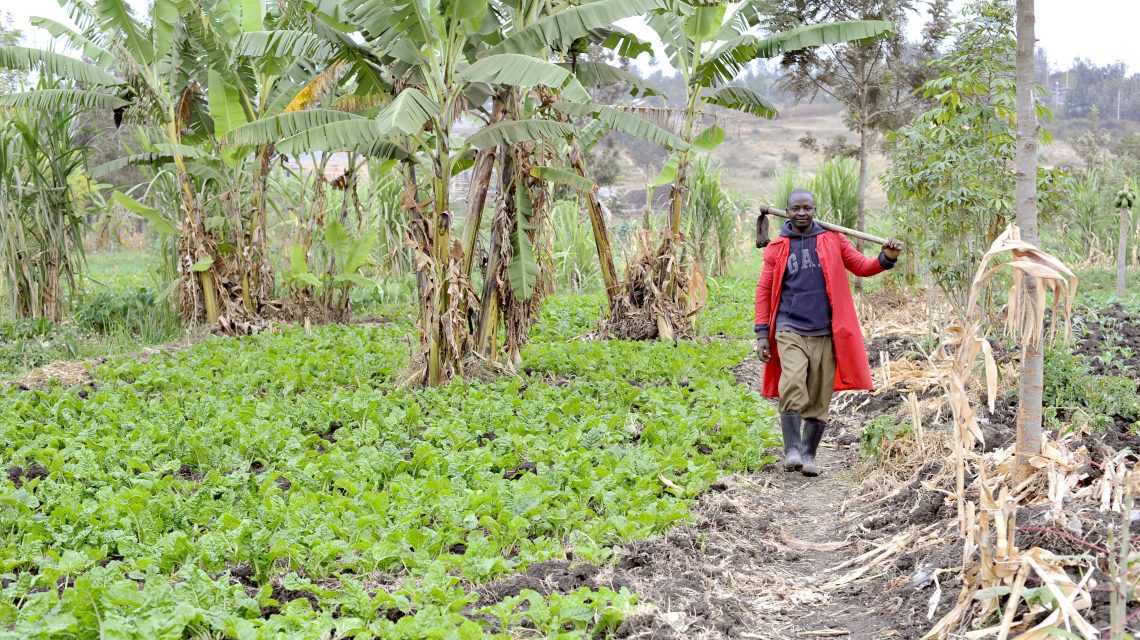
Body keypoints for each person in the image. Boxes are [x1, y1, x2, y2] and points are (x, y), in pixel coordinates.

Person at [754, 189, 904, 477]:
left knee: (820, 395)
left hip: (825, 330)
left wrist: (886, 258)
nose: (801, 213)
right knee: (793, 383)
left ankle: (809, 455)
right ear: (787, 212)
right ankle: (792, 450)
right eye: (795, 208)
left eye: (806, 208)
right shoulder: (777, 248)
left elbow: (861, 266)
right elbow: (763, 291)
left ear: (814, 210)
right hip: (789, 328)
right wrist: (762, 333)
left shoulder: (832, 239)